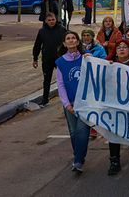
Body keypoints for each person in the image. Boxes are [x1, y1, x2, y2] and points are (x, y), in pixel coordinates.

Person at [55, 30, 90, 173]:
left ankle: (78, 160)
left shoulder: (86, 58)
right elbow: (61, 84)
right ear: (64, 43)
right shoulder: (60, 62)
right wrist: (67, 104)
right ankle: (79, 156)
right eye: (68, 38)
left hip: (86, 103)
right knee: (74, 132)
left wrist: (91, 59)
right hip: (70, 103)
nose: (71, 40)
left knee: (82, 131)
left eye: (73, 38)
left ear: (77, 41)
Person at [106, 39, 129, 176]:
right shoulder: (109, 65)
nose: (121, 49)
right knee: (113, 132)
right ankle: (114, 161)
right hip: (115, 105)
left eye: (125, 47)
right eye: (119, 47)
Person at [32, 13, 66, 105]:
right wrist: (35, 58)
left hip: (60, 59)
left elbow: (68, 43)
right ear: (46, 21)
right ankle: (45, 99)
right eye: (49, 20)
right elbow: (37, 45)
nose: (51, 22)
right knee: (46, 80)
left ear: (56, 19)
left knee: (63, 79)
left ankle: (66, 98)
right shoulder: (42, 31)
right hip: (47, 59)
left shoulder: (62, 29)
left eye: (53, 20)